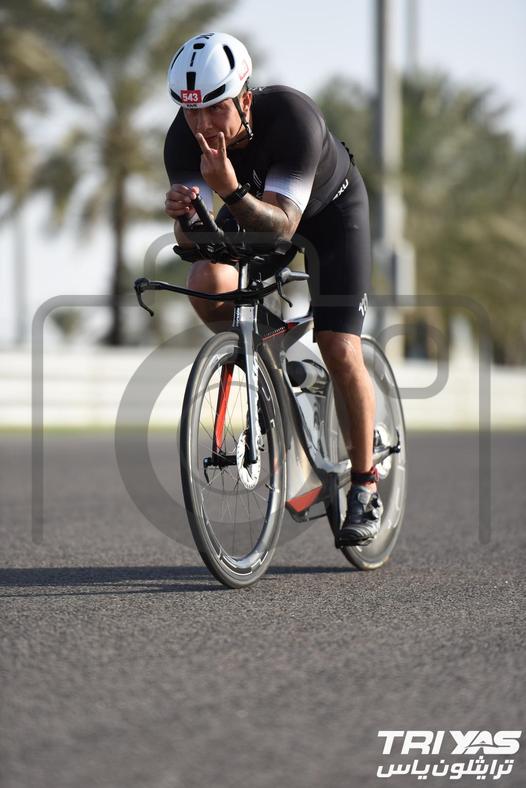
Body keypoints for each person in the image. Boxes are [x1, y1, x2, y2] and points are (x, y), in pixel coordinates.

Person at [163, 32, 382, 545]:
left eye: (214, 109)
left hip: (329, 216)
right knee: (206, 280)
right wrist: (184, 218)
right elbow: (196, 241)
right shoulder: (182, 138)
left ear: (244, 98)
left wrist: (228, 189)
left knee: (338, 345)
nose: (202, 124)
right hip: (251, 208)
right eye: (191, 111)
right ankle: (275, 356)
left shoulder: (292, 117)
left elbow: (281, 228)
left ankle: (366, 483)